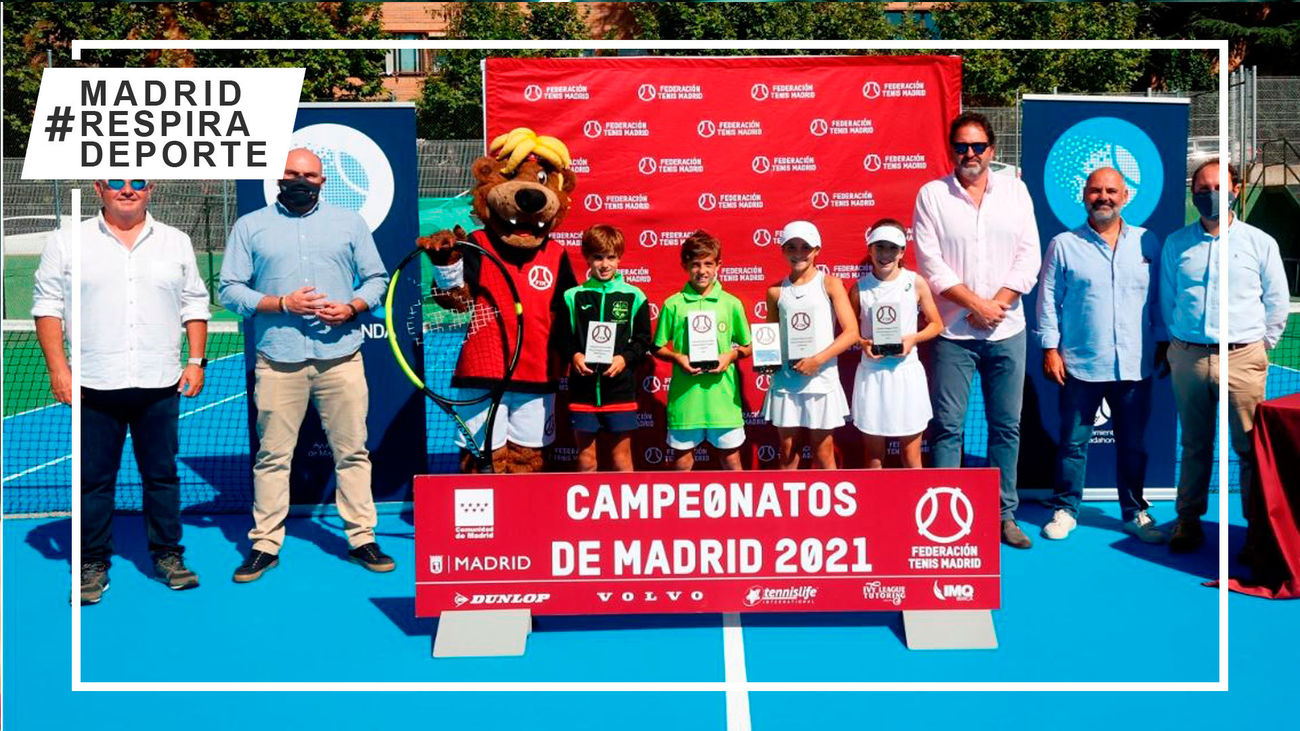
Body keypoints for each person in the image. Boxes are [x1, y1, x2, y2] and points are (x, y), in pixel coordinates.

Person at [32, 179, 210, 604]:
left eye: (137, 182)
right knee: (94, 480)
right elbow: (47, 306)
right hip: (94, 383)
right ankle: (93, 562)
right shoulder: (66, 241)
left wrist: (196, 361)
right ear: (99, 187)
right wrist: (59, 370)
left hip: (159, 382)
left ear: (151, 189)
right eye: (116, 181)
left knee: (162, 476)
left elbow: (195, 303)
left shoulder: (175, 241)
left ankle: (168, 555)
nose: (126, 189)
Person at [219, 148, 392, 581]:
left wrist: (352, 307)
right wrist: (281, 303)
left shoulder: (349, 224)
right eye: (292, 174)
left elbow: (377, 279)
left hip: (341, 358)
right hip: (279, 361)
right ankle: (264, 544)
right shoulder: (250, 226)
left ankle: (361, 538)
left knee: (352, 452)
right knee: (273, 456)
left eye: (309, 175)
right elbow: (228, 290)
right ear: (278, 178)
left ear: (323, 180)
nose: (300, 180)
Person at [912, 111, 1043, 549]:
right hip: (954, 334)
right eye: (961, 147)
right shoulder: (931, 195)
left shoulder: (1016, 192)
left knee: (1006, 427)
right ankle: (945, 516)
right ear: (952, 150)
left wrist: (996, 307)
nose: (970, 154)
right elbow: (930, 263)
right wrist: (973, 305)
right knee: (948, 427)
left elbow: (1029, 257)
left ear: (992, 150)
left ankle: (1004, 515)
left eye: (978, 146)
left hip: (1008, 330)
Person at [1160, 159, 1290, 553]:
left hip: (1244, 359)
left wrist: (1258, 346)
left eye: (1217, 186)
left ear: (1235, 189)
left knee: (1251, 449)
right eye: (1201, 188)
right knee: (1195, 445)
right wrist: (1182, 346)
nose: (1209, 194)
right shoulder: (1176, 243)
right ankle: (1187, 520)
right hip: (1189, 358)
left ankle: (1258, 528)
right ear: (1192, 193)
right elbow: (1168, 301)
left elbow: (1277, 301)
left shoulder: (1260, 243)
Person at [1036, 167, 1167, 544]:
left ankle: (1134, 512)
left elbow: (1158, 299)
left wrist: (1161, 343)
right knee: (1073, 443)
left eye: (1112, 190)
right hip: (1080, 364)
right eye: (1096, 191)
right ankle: (1065, 508)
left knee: (1133, 444)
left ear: (1125, 196)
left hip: (1134, 364)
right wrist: (1050, 348)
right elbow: (1048, 300)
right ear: (1084, 196)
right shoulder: (1063, 244)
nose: (1103, 197)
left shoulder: (1148, 243)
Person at [761, 220, 857, 469]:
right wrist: (766, 361)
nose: (798, 253)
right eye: (791, 247)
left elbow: (851, 333)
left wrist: (818, 360)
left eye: (805, 247)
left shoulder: (831, 284)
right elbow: (769, 337)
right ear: (783, 250)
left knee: (823, 451)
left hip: (821, 379)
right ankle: (787, 507)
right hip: (786, 380)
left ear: (817, 251)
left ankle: (831, 507)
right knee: (787, 452)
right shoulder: (775, 291)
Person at [556, 225, 653, 471]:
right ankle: (587, 510)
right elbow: (562, 337)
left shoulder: (634, 295)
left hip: (620, 390)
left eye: (610, 257)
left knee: (622, 459)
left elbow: (643, 340)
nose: (604, 264)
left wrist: (624, 359)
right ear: (587, 258)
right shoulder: (573, 296)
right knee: (586, 460)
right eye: (598, 257)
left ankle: (626, 510)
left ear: (619, 258)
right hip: (583, 391)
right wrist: (574, 355)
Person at [654, 231, 753, 471]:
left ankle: (736, 509)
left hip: (723, 399)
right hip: (686, 399)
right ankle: (678, 510)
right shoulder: (672, 303)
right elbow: (657, 346)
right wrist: (677, 357)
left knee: (731, 460)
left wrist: (730, 355)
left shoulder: (731, 303)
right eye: (696, 264)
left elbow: (747, 347)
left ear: (719, 265)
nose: (702, 270)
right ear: (685, 265)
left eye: (708, 263)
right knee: (682, 462)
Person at [848, 219, 943, 469]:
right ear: (870, 250)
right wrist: (862, 343)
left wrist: (913, 338)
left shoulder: (916, 282)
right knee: (874, 457)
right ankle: (876, 508)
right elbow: (849, 332)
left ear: (902, 252)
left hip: (907, 374)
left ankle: (916, 507)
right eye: (880, 247)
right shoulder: (859, 289)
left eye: (892, 248)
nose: (886, 254)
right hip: (872, 375)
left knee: (911, 457)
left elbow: (936, 324)